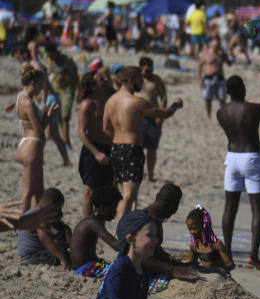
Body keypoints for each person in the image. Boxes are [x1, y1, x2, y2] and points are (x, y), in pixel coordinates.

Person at [103, 66, 183, 219]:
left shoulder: (110, 101)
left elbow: (106, 128)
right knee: (128, 196)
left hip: (116, 149)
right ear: (131, 81)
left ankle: (119, 230)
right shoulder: (136, 102)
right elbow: (163, 113)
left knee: (121, 194)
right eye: (140, 80)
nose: (142, 84)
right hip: (132, 149)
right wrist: (175, 106)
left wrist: (119, 137)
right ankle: (119, 232)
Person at [217, 75, 260, 269]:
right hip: (251, 157)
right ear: (243, 89)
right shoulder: (254, 108)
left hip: (231, 158)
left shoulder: (221, 112)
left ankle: (228, 253)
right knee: (257, 209)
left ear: (228, 92)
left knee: (229, 208)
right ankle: (254, 255)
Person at [13, 64, 57, 211]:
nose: (42, 89)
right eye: (40, 85)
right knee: (28, 192)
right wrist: (48, 118)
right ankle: (22, 226)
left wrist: (47, 115)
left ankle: (36, 225)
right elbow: (39, 129)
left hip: (26, 143)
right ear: (33, 83)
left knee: (38, 190)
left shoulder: (20, 97)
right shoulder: (29, 103)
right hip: (32, 146)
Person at [76, 71, 115, 217]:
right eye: (100, 79)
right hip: (93, 149)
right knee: (90, 191)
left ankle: (99, 227)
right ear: (93, 85)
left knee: (104, 192)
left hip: (108, 148)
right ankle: (88, 225)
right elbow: (81, 131)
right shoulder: (88, 103)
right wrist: (96, 153)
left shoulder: (109, 99)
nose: (105, 79)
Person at [70, 185, 124, 278]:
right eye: (113, 208)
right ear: (102, 207)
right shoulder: (93, 222)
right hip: (85, 268)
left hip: (89, 264)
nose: (115, 212)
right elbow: (116, 245)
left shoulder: (94, 220)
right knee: (122, 272)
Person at [18, 187, 72, 269]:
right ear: (52, 205)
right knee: (71, 257)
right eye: (58, 209)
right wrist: (62, 258)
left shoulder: (35, 211)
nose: (58, 213)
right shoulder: (39, 215)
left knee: (64, 231)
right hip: (34, 256)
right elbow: (44, 238)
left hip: (33, 254)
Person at [137, 57, 168, 181]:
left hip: (153, 117)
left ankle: (150, 174)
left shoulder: (156, 80)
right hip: (137, 117)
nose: (147, 73)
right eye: (145, 70)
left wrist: (161, 115)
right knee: (137, 148)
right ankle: (138, 172)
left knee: (152, 148)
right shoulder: (135, 80)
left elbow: (164, 97)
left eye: (149, 70)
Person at [186, 206, 234, 272]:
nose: (192, 232)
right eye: (190, 229)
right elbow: (192, 264)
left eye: (195, 228)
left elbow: (230, 264)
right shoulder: (194, 245)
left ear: (204, 225)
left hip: (220, 275)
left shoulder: (216, 244)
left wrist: (220, 271)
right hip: (206, 274)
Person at [198, 39, 229, 119]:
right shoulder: (207, 54)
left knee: (222, 99)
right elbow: (200, 65)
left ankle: (224, 116)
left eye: (218, 46)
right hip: (209, 78)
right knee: (208, 99)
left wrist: (226, 55)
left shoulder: (221, 54)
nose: (217, 48)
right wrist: (200, 78)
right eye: (215, 46)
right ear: (211, 46)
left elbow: (229, 63)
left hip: (220, 78)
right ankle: (209, 116)